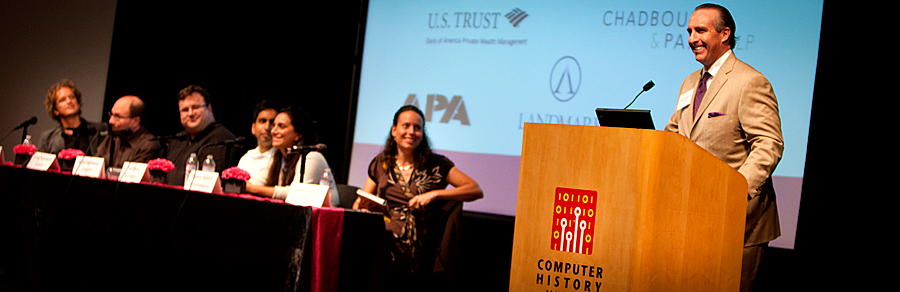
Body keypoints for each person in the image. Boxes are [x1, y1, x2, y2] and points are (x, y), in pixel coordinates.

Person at [664, 4, 783, 292]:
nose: (692, 38)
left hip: (739, 224)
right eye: (690, 31)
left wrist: (734, 191)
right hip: (693, 218)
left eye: (701, 30)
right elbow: (675, 135)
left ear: (725, 34)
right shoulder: (690, 83)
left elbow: (768, 144)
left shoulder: (749, 82)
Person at [353, 105, 483, 291]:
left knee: (371, 252)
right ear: (394, 130)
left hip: (416, 243)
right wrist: (362, 205)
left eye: (417, 128)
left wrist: (435, 194)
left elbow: (475, 189)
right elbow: (364, 198)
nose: (412, 132)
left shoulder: (436, 165)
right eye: (406, 126)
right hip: (384, 232)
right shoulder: (381, 163)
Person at [245, 106, 337, 206]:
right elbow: (256, 182)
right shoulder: (279, 157)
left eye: (281, 126)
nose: (273, 131)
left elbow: (296, 194)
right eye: (274, 125)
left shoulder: (312, 157)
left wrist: (253, 189)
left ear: (298, 134)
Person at [165, 85, 237, 186]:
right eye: (185, 110)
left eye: (195, 107)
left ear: (209, 109)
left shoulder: (225, 140)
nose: (190, 113)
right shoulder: (175, 141)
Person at [36, 79, 107, 155]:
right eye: (62, 100)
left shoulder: (100, 130)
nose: (69, 101)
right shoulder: (47, 138)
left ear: (78, 102)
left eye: (72, 97)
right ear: (55, 110)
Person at [95, 95, 161, 169]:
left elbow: (132, 176)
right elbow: (95, 167)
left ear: (135, 121)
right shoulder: (113, 137)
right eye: (111, 114)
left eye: (117, 116)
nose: (111, 121)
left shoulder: (148, 144)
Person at [237, 100, 282, 177]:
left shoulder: (281, 159)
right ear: (253, 128)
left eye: (272, 123)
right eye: (262, 121)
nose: (267, 127)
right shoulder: (246, 158)